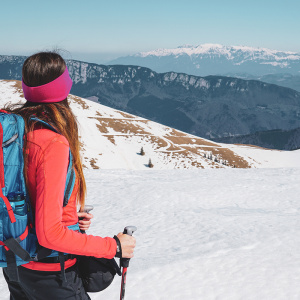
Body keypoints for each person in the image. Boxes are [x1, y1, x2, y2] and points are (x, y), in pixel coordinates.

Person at [2, 51, 136, 300]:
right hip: (52, 274)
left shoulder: (15, 130)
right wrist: (114, 246)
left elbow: (24, 196)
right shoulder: (51, 142)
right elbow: (49, 234)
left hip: (17, 266)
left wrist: (70, 217)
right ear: (63, 87)